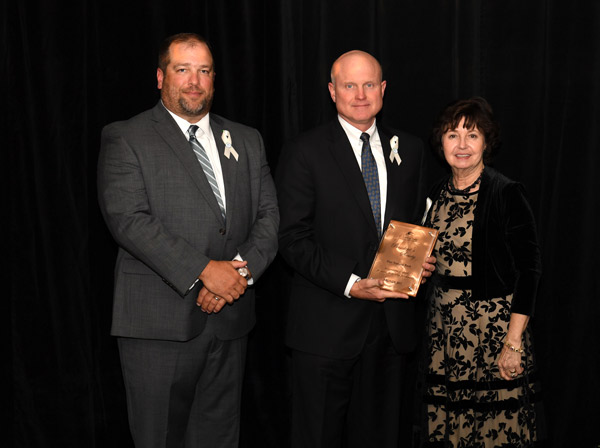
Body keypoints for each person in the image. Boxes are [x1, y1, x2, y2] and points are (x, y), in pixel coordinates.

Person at [97, 33, 278, 448]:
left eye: (204, 71)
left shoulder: (247, 139)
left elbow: (269, 218)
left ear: (214, 79)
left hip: (230, 322)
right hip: (158, 324)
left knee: (218, 437)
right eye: (183, 70)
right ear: (161, 77)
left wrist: (236, 275)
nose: (194, 81)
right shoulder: (127, 136)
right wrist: (204, 271)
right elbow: (129, 220)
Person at [277, 50, 435, 448]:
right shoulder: (304, 151)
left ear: (383, 90)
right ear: (332, 92)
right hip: (325, 330)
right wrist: (352, 283)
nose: (360, 94)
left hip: (391, 330)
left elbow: (416, 226)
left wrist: (421, 262)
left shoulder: (411, 150)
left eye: (369, 84)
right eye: (350, 85)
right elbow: (292, 239)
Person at [420, 97, 544, 447]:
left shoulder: (506, 193)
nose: (461, 145)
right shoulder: (436, 193)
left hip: (493, 332)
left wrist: (514, 344)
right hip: (444, 332)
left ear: (486, 143)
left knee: (495, 432)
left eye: (471, 135)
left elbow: (530, 270)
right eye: (452, 134)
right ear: (440, 141)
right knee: (451, 430)